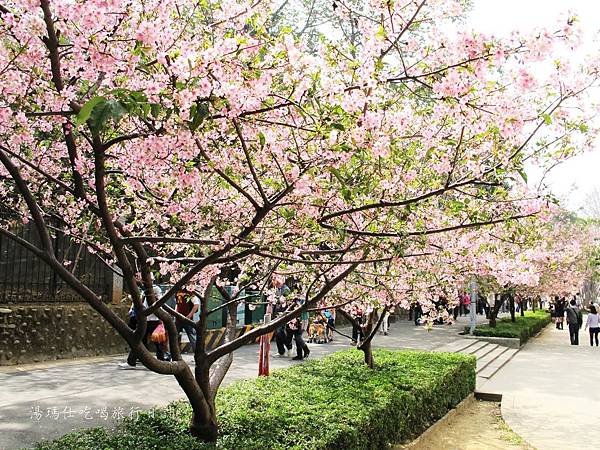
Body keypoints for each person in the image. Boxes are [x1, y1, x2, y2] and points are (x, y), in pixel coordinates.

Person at [120, 282, 165, 369]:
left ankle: (161, 360)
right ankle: (133, 361)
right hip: (145, 319)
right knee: (139, 341)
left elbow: (160, 302)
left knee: (156, 341)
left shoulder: (155, 289)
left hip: (153, 319)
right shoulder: (143, 290)